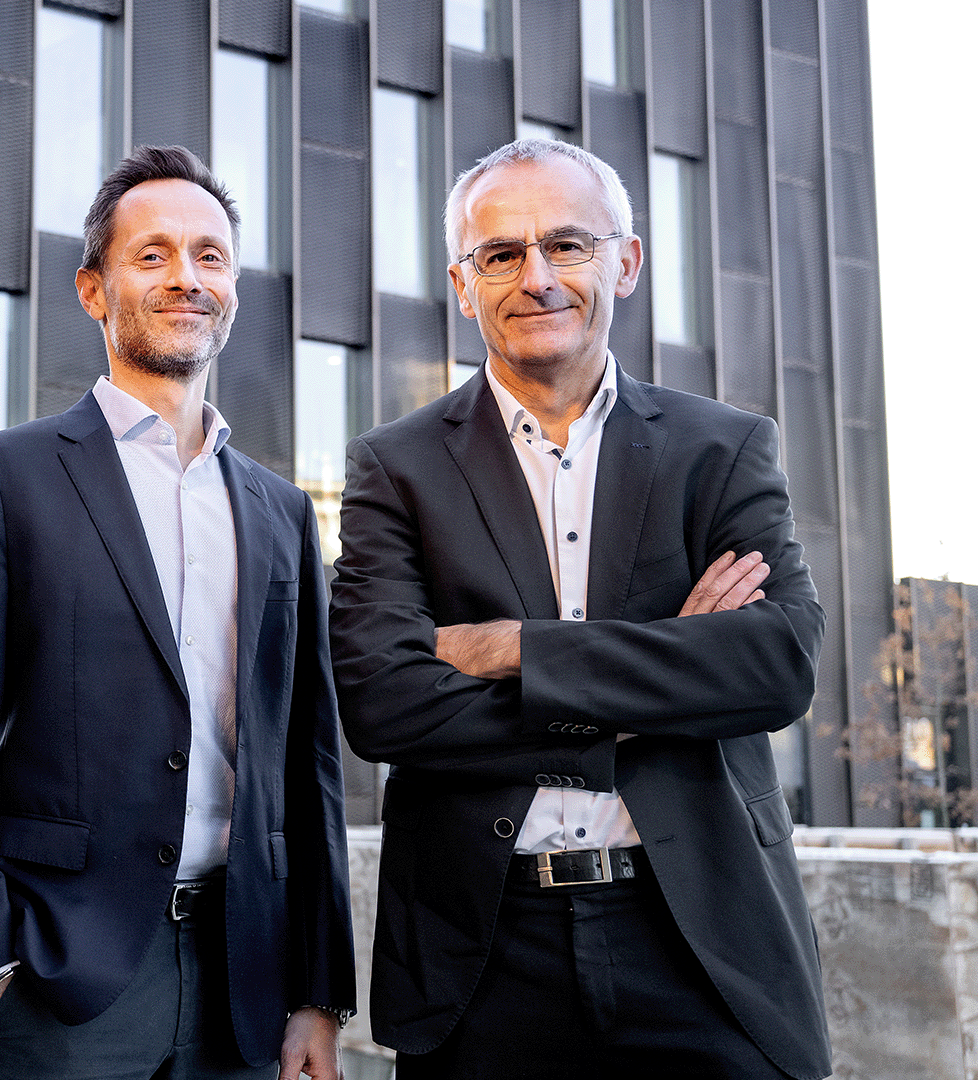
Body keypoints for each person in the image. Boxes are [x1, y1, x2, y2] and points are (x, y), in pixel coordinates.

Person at [328, 137, 830, 1079]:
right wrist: (664, 676)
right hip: (480, 957)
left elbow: (776, 664)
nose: (536, 277)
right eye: (501, 254)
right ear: (463, 282)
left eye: (567, 245)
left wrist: (519, 648)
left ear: (625, 262)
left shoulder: (722, 450)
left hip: (702, 944)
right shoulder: (394, 468)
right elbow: (385, 704)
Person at [0, 145, 355, 1080]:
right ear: (93, 290)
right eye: (152, 255)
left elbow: (309, 763)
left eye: (210, 255)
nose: (187, 277)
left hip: (248, 982)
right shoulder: (0, 478)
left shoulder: (282, 509)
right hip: (61, 982)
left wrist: (319, 989)